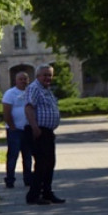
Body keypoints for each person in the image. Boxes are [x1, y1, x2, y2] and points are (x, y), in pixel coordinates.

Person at [24, 64, 65, 205]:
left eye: (50, 75)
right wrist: (35, 127)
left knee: (50, 163)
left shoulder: (47, 90)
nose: (48, 78)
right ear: (38, 76)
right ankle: (33, 196)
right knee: (41, 164)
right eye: (45, 75)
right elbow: (29, 108)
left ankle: (47, 192)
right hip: (38, 130)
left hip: (47, 132)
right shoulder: (34, 88)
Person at [1, 71, 32, 189]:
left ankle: (28, 179)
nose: (23, 81)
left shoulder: (30, 93)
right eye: (21, 79)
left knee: (27, 156)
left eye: (25, 79)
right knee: (13, 156)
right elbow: (6, 112)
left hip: (27, 130)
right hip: (15, 130)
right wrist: (12, 126)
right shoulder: (10, 93)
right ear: (16, 80)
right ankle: (10, 180)